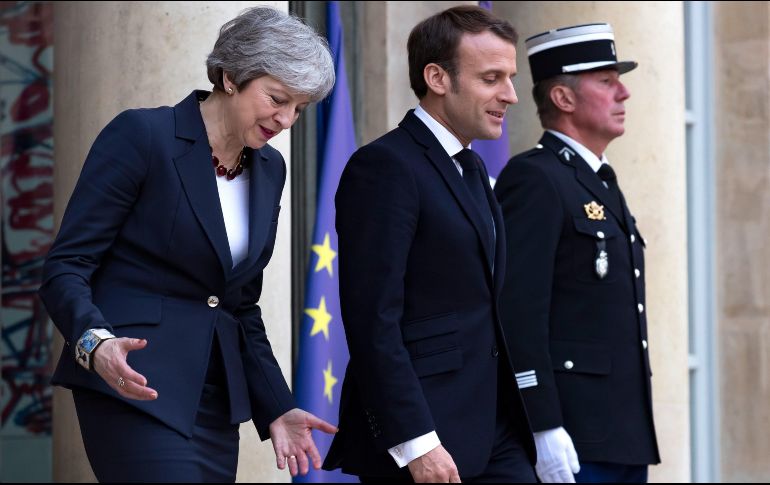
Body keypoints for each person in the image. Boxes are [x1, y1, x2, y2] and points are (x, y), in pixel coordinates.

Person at [38, 7, 336, 482]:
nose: (286, 120)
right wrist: (95, 344)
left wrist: (276, 407)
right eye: (277, 98)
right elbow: (66, 267)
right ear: (231, 77)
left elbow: (240, 307)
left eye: (299, 109)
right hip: (136, 383)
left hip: (216, 403)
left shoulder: (270, 171)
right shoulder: (143, 135)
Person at [322, 6, 536, 483]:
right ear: (437, 77)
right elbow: (373, 317)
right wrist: (416, 442)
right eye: (492, 78)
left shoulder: (473, 167)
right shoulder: (384, 167)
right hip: (425, 440)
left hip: (496, 431)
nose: (511, 95)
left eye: (511, 77)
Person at [494, 23, 661, 483]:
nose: (623, 93)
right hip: (572, 437)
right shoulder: (536, 178)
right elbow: (517, 311)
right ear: (564, 99)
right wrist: (543, 425)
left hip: (621, 435)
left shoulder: (599, 180)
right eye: (606, 82)